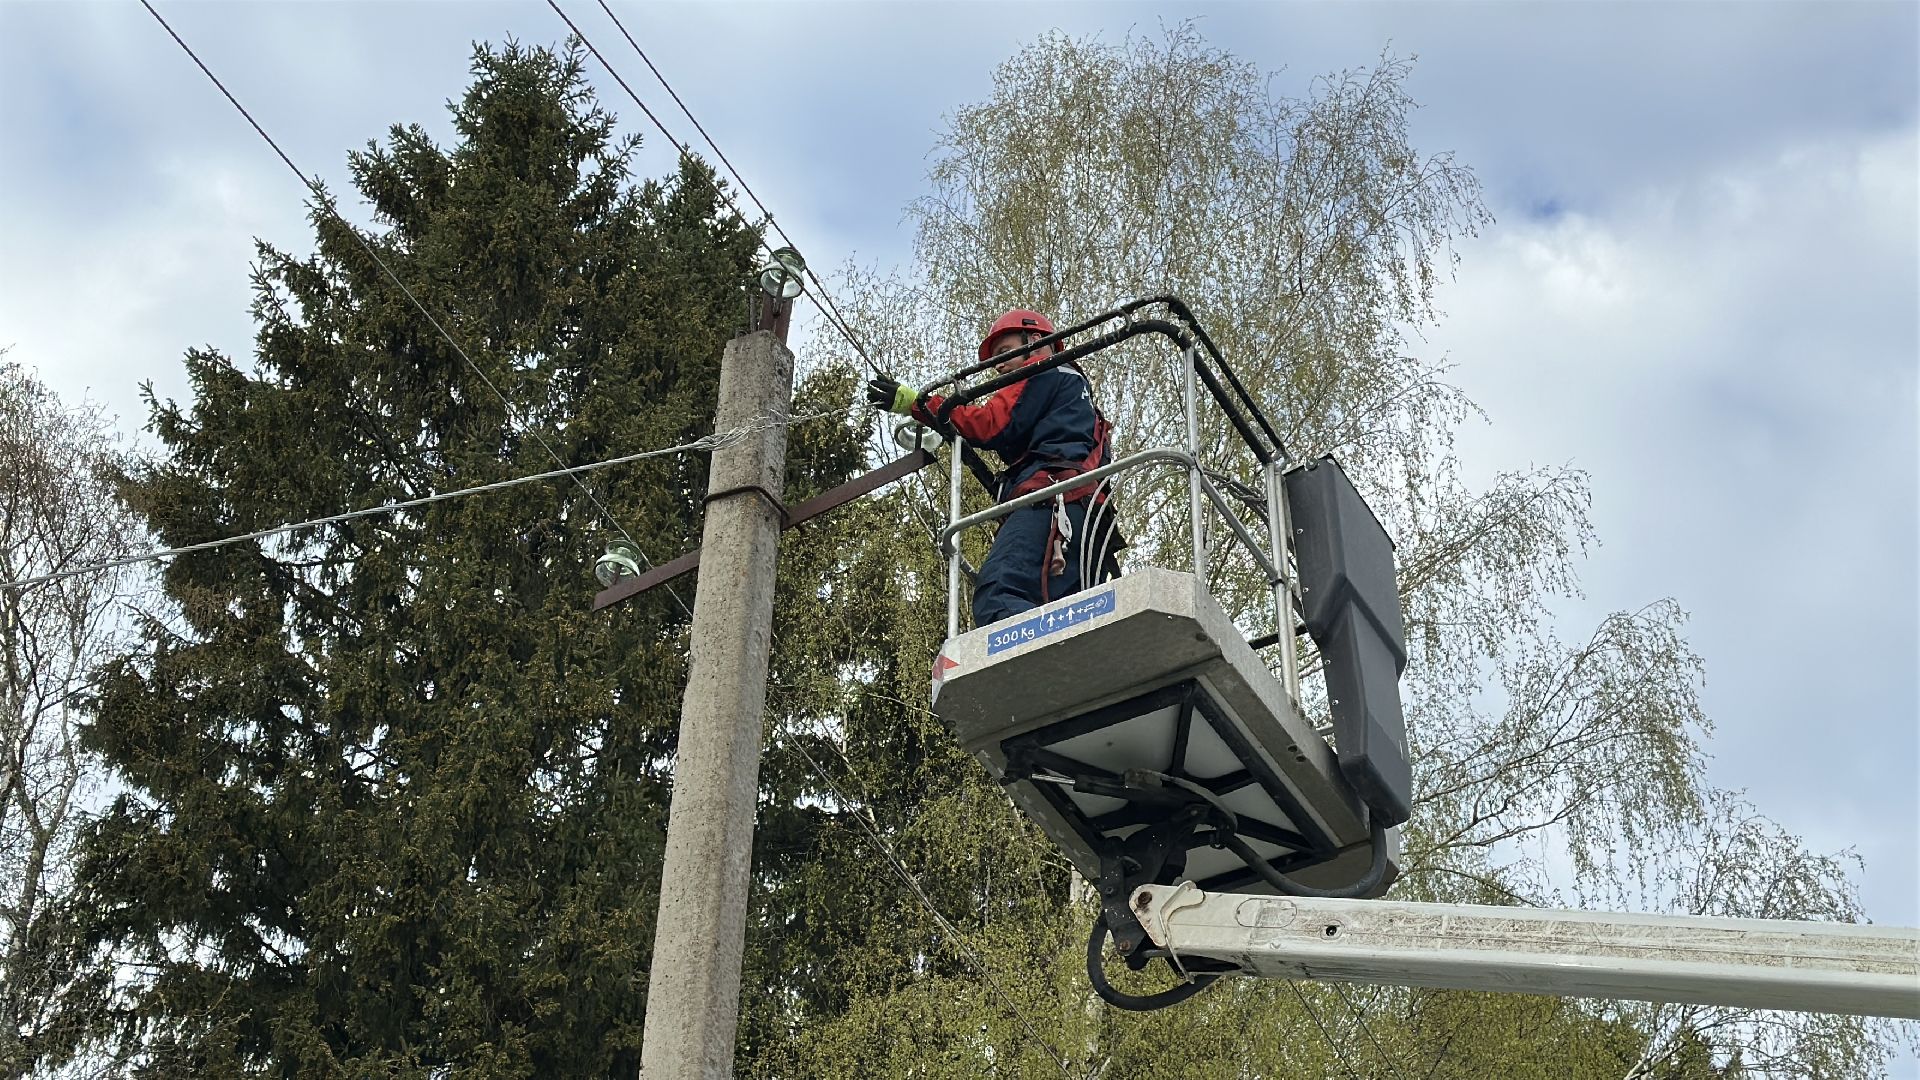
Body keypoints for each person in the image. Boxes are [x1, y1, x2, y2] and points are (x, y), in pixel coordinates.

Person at [866, 309, 1116, 627]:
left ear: (1037, 342)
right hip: (1085, 514)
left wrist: (918, 404)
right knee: (1061, 610)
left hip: (1051, 501)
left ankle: (1027, 667)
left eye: (1005, 352)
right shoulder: (1075, 396)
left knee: (999, 592)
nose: (998, 365)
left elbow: (990, 425)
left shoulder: (1044, 370)